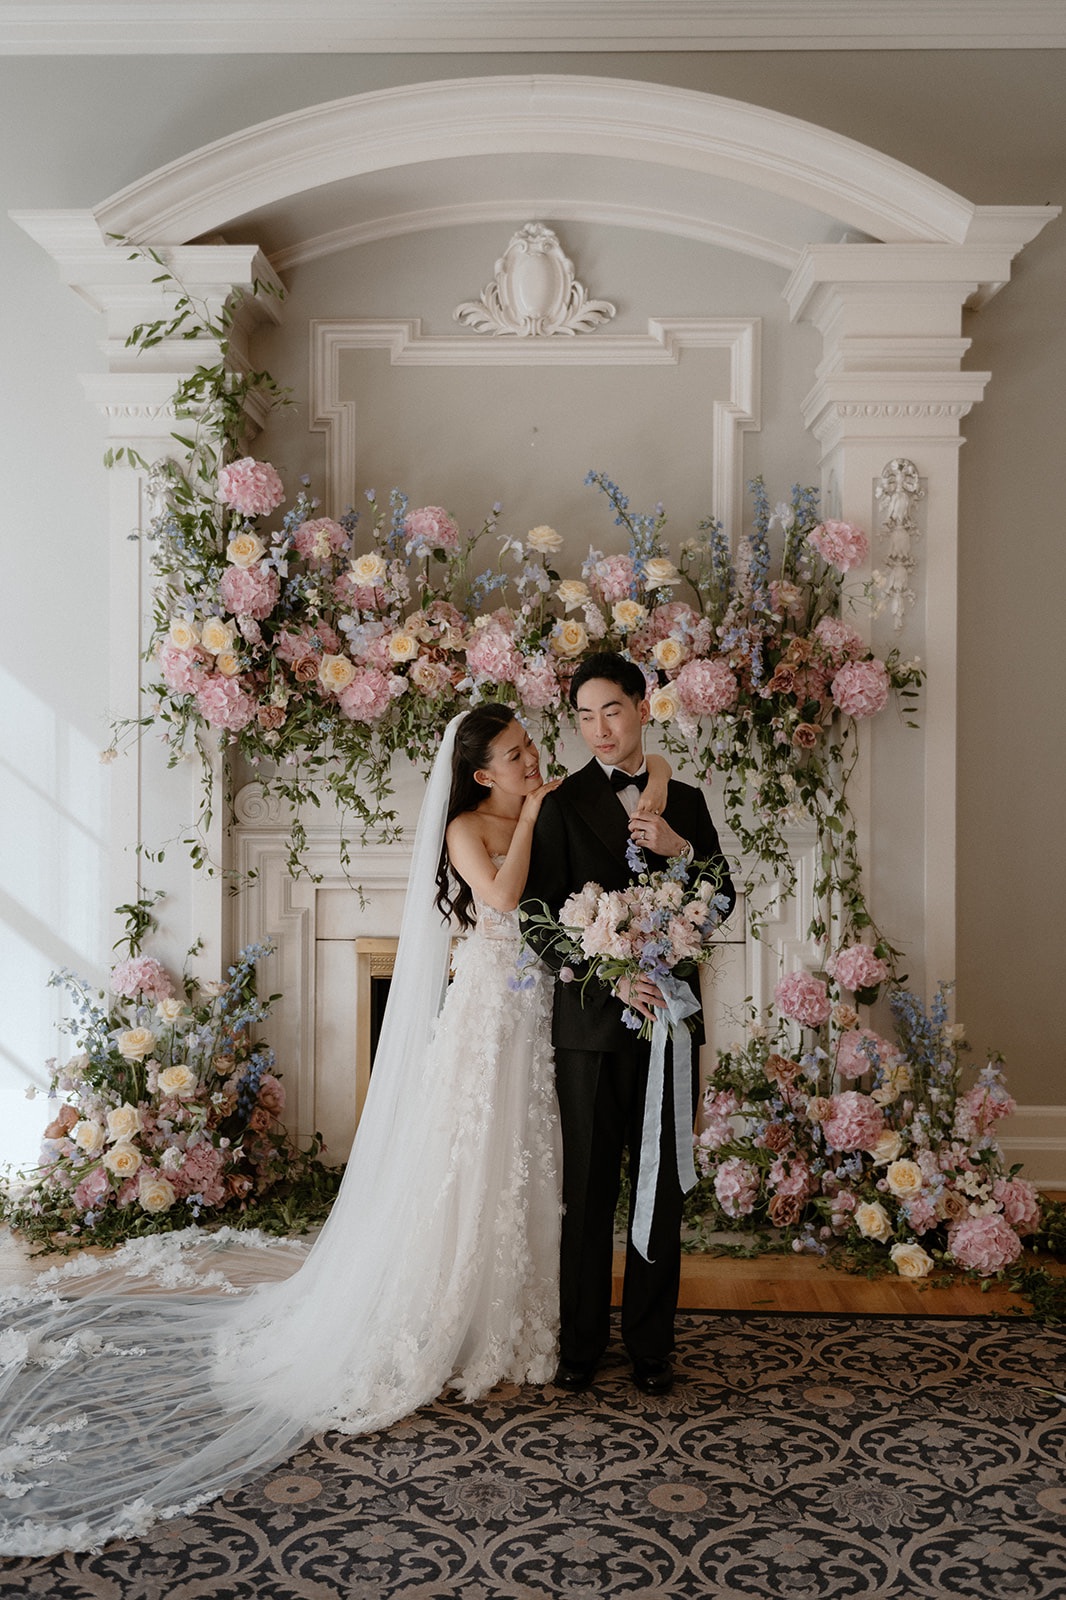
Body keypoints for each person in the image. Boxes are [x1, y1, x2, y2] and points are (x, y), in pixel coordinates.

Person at [0, 704, 675, 1558]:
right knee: (470, 1154)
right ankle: (446, 1312)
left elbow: (621, 831)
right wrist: (535, 815)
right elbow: (501, 900)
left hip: (540, 1009)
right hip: (484, 1010)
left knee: (529, 1156)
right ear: (480, 773)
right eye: (516, 753)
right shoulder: (472, 824)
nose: (533, 756)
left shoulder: (562, 804)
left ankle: (520, 1313)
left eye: (532, 746)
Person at [521, 652, 736, 1398]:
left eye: (611, 710)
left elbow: (722, 902)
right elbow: (537, 916)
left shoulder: (691, 800)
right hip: (589, 1028)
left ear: (644, 707)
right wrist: (612, 973)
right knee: (585, 1191)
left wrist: (682, 851)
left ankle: (651, 1345)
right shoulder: (557, 802)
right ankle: (580, 1342)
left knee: (660, 1186)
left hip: (669, 1027)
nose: (598, 729)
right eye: (583, 716)